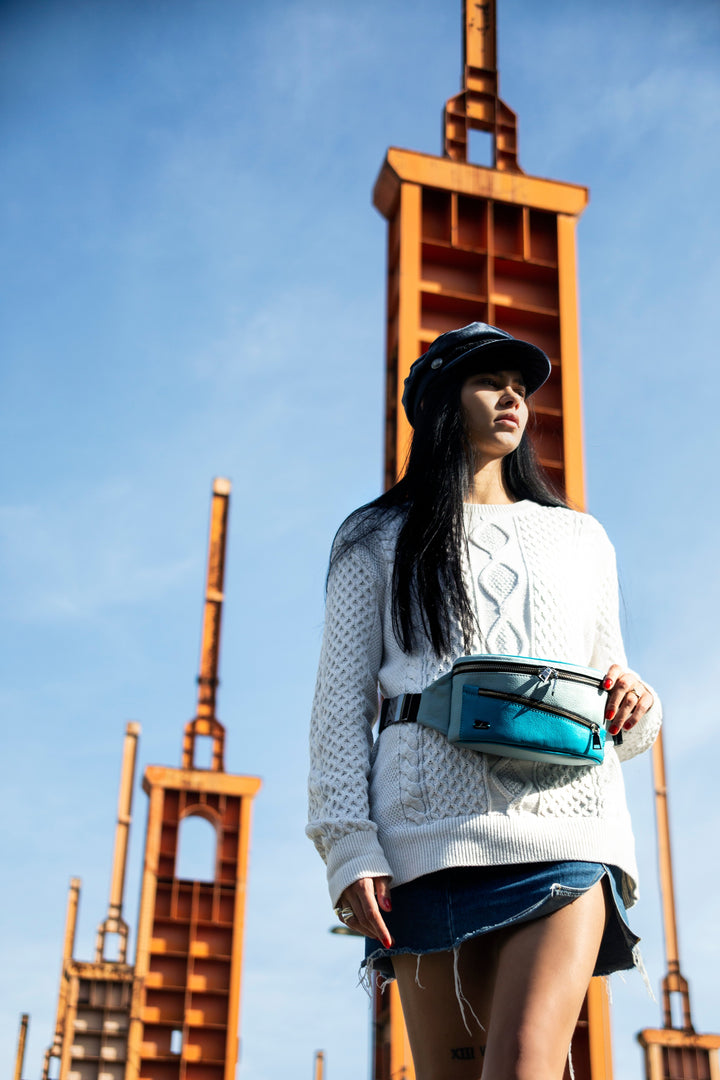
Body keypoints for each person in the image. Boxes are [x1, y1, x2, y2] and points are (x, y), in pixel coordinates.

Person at [307, 322, 661, 1080]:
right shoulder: (374, 538)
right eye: (488, 381)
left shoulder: (580, 538)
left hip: (566, 838)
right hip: (421, 849)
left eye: (520, 386)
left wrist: (638, 703)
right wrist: (347, 848)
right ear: (439, 401)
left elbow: (618, 699)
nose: (512, 398)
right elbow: (339, 707)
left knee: (523, 1067)